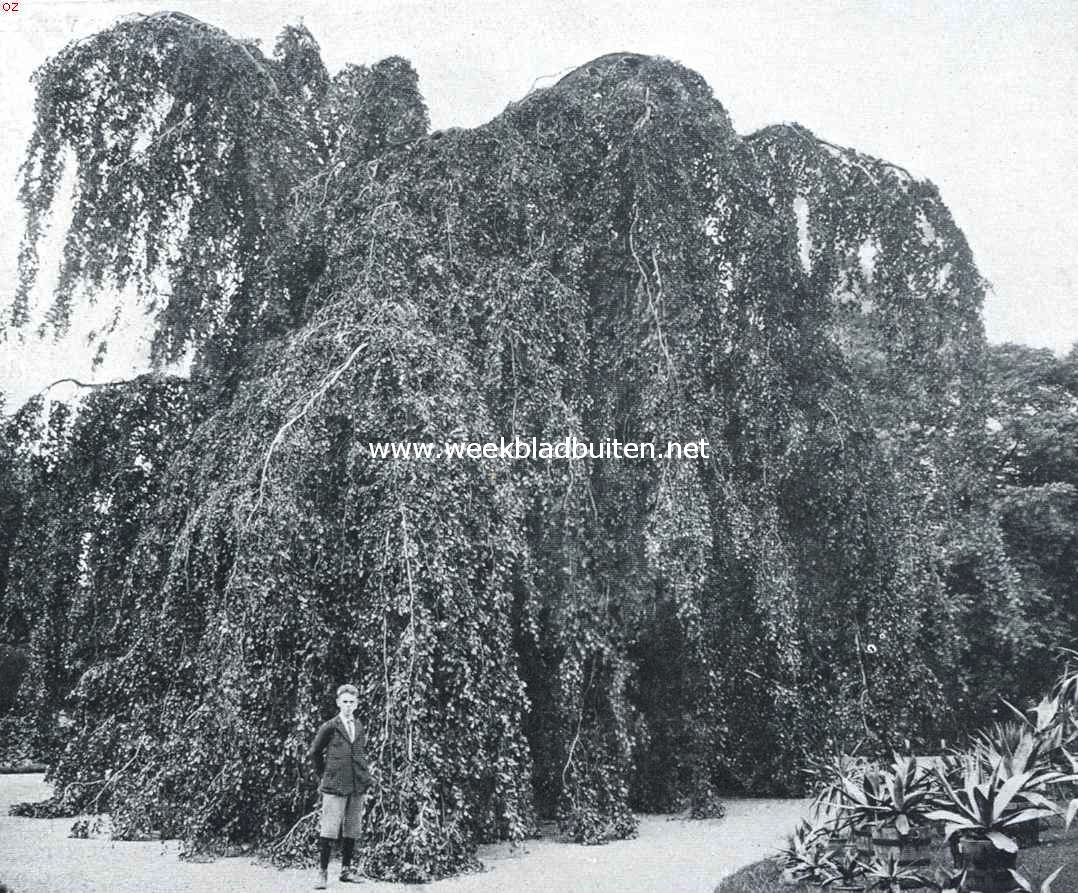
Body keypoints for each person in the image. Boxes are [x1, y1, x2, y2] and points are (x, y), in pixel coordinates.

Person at [306, 683, 373, 888]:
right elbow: (315, 753)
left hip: (356, 785)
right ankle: (322, 873)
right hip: (335, 785)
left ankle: (346, 870)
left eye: (352, 702)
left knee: (352, 828)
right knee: (329, 829)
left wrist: (363, 776)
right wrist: (325, 776)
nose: (348, 706)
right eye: (344, 702)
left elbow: (359, 753)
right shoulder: (330, 726)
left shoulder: (359, 725)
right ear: (338, 703)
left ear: (357, 703)